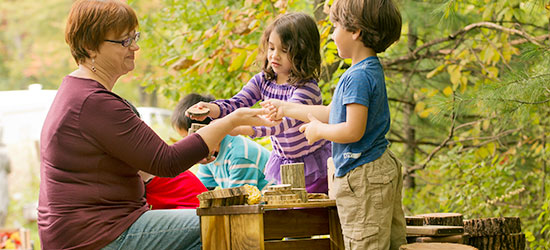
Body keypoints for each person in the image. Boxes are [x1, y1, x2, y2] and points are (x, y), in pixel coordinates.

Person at [37, 1, 276, 249]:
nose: (135, 47)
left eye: (134, 37)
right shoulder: (94, 102)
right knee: (229, 224)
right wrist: (230, 121)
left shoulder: (80, 94)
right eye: (124, 41)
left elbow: (153, 157)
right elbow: (167, 161)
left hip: (93, 231)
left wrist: (199, 148)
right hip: (97, 236)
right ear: (90, 47)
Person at [261, 0, 407, 249]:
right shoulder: (366, 70)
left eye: (336, 26)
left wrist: (319, 132)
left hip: (362, 173)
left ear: (355, 31)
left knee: (365, 243)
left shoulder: (358, 77)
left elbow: (352, 130)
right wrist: (286, 108)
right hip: (376, 168)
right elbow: (332, 112)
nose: (333, 34)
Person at [188, 12, 331, 194]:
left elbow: (278, 125)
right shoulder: (263, 80)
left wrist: (237, 128)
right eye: (271, 48)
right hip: (284, 161)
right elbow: (237, 102)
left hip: (312, 165)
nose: (275, 56)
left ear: (302, 52)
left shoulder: (306, 89)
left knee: (311, 212)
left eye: (284, 50)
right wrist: (210, 109)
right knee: (289, 210)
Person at [174, 93, 273, 191]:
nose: (186, 144)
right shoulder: (209, 154)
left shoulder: (240, 155)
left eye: (187, 138)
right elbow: (200, 191)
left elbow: (239, 199)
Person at [0, 122, 10, 227]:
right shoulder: (3, 152)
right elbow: (9, 168)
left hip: (2, 180)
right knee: (2, 206)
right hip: (2, 180)